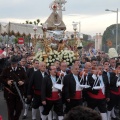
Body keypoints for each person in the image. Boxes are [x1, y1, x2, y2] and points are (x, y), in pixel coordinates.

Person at [1, 55, 27, 120]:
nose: (13, 64)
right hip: (9, 93)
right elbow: (1, 78)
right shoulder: (6, 69)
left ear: (17, 63)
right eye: (12, 63)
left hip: (19, 93)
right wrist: (7, 81)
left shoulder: (21, 69)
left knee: (19, 110)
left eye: (14, 63)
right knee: (10, 111)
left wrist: (23, 82)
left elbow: (26, 79)